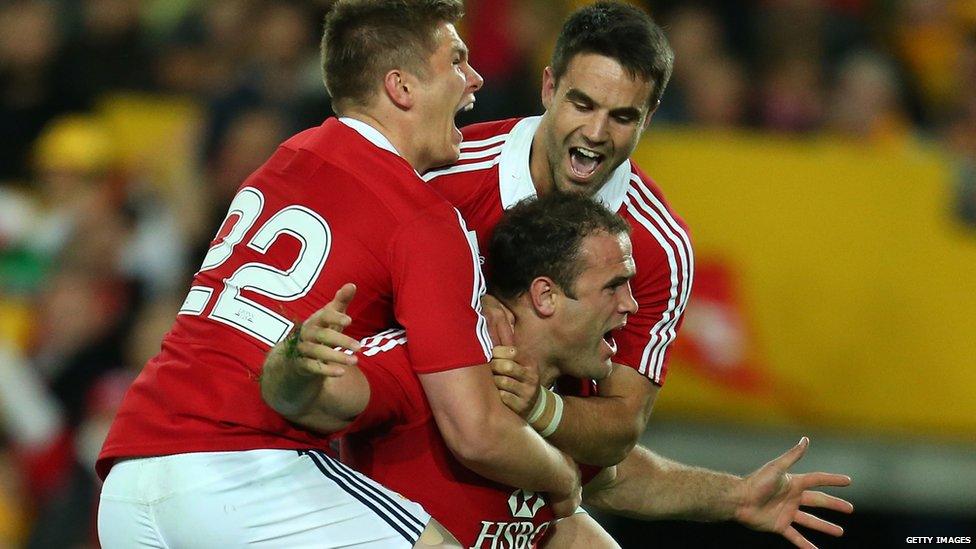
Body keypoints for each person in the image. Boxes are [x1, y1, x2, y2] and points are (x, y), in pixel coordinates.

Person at [96, 1, 579, 547]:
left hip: (128, 480)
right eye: (456, 60)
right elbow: (476, 431)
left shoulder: (285, 157)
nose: (475, 79)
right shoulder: (421, 216)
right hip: (242, 471)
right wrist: (562, 478)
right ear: (400, 87)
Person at [262, 193, 853, 549]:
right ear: (545, 297)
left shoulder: (566, 401)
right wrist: (294, 359)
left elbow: (616, 475)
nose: (630, 306)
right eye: (613, 287)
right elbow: (315, 398)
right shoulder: (442, 365)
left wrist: (737, 497)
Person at [425, 0, 689, 470]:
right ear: (549, 87)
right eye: (581, 104)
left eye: (623, 117)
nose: (596, 132)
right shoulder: (444, 180)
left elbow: (621, 428)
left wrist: (538, 406)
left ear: (649, 118)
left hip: (542, 486)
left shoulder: (659, 247)